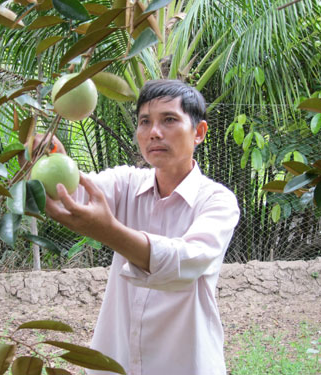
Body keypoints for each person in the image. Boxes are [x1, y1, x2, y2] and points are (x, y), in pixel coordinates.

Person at [44, 80, 240, 375]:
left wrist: (108, 231)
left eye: (169, 120)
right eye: (145, 122)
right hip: (115, 361)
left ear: (198, 132)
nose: (154, 133)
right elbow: (73, 192)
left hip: (184, 364)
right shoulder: (126, 183)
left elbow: (185, 262)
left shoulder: (217, 201)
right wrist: (48, 157)